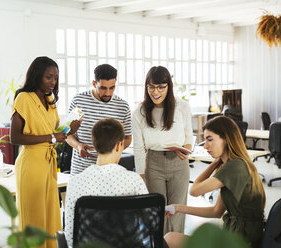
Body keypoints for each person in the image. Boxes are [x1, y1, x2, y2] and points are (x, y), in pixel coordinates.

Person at [10, 56, 80, 248]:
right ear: (37, 76)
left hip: (49, 163)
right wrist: (51, 137)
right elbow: (14, 137)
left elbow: (56, 134)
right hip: (31, 164)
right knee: (33, 216)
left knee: (50, 213)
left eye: (56, 78)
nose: (53, 82)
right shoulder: (24, 98)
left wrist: (69, 130)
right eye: (49, 77)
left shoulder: (50, 100)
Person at [164, 116, 266, 248]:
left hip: (241, 240)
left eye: (210, 140)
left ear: (226, 139)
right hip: (239, 236)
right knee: (171, 237)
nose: (205, 146)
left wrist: (213, 164)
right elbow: (216, 212)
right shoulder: (236, 164)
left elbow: (194, 191)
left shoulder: (234, 166)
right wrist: (178, 208)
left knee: (170, 239)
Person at [64, 118, 148, 247]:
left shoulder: (75, 182)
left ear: (94, 144)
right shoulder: (135, 181)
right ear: (119, 145)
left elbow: (70, 237)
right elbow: (148, 227)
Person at [132, 66, 193, 234]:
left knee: (177, 211)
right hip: (153, 163)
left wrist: (186, 150)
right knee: (157, 211)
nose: (155, 92)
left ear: (168, 86)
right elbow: (138, 147)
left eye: (161, 87)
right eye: (151, 87)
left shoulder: (182, 107)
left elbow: (189, 137)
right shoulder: (140, 112)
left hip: (178, 162)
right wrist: (142, 176)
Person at [66, 64, 132, 175]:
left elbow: (128, 138)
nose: (107, 93)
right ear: (94, 83)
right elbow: (66, 133)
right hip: (81, 171)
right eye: (103, 88)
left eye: (112, 88)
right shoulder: (79, 101)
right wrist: (78, 146)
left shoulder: (122, 106)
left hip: (110, 171)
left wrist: (111, 153)